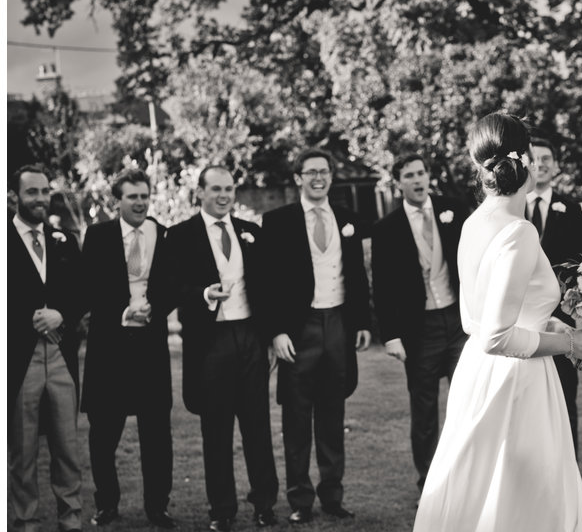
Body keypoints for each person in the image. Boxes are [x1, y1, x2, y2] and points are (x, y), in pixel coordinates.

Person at [414, 112, 582, 531]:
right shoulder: (519, 231)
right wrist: (573, 343)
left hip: (477, 376)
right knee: (527, 499)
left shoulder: (472, 224)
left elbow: (484, 316)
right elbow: (496, 334)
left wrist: (555, 327)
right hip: (517, 384)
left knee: (481, 493)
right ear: (526, 165)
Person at [261, 149, 372, 524]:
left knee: (332, 413)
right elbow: (267, 284)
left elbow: (356, 275)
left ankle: (333, 495)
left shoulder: (348, 219)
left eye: (324, 171)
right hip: (299, 327)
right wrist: (276, 331)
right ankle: (300, 500)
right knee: (296, 418)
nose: (318, 178)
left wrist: (361, 322)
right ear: (298, 178)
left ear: (331, 176)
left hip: (338, 323)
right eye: (310, 172)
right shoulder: (277, 222)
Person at [166, 166, 279, 531]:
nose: (224, 195)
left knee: (257, 426)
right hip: (210, 341)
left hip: (249, 336)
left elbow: (266, 289)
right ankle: (222, 509)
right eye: (215, 189)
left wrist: (272, 335)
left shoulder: (251, 232)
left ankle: (264, 503)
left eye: (229, 189)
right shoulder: (180, 235)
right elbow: (170, 289)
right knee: (216, 431)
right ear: (199, 192)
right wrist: (201, 295)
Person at [80, 169, 176, 527]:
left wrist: (155, 306)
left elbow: (173, 283)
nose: (140, 202)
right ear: (116, 200)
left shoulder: (163, 234)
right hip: (110, 348)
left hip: (151, 347)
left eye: (144, 196)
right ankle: (106, 503)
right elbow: (88, 285)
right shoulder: (98, 235)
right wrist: (122, 309)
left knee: (157, 433)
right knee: (103, 432)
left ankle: (158, 506)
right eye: (132, 196)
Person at [372, 154, 469, 492]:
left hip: (458, 321)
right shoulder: (386, 228)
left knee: (468, 398)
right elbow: (381, 287)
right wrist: (391, 336)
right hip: (419, 328)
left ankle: (468, 473)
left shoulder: (454, 209)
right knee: (424, 408)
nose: (417, 180)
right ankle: (430, 482)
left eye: (422, 172)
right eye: (409, 175)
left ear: (429, 175)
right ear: (398, 182)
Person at [8, 164, 85, 532]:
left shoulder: (64, 240)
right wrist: (29, 317)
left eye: (44, 192)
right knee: (22, 453)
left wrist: (61, 314)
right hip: (19, 360)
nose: (39, 199)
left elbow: (83, 292)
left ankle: (70, 520)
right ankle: (26, 523)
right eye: (31, 192)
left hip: (60, 358)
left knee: (67, 448)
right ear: (15, 197)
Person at [526, 136, 582, 453]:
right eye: (535, 157)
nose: (542, 163)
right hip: (522, 319)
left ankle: (569, 468)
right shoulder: (513, 209)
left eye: (548, 157)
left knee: (565, 396)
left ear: (556, 165)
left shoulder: (573, 209)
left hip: (563, 319)